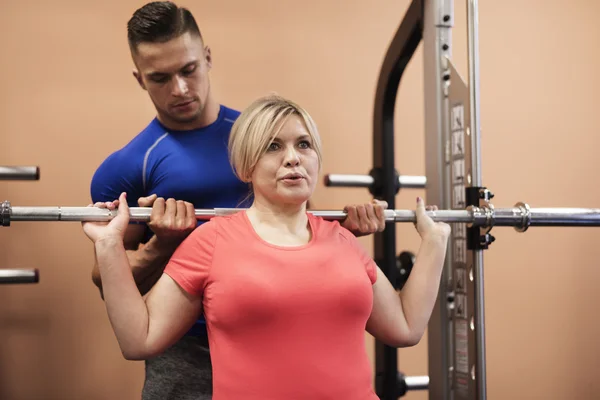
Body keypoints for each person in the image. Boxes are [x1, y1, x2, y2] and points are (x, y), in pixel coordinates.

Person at [88, 2, 390, 399]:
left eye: (189, 70)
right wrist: (166, 243)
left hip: (271, 329)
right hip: (184, 346)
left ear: (207, 58)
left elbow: (300, 223)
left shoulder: (267, 138)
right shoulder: (127, 166)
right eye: (160, 77)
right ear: (140, 79)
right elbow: (106, 278)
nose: (179, 89)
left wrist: (345, 232)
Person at [83, 94, 451, 399]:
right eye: (273, 147)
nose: (293, 157)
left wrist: (435, 242)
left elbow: (404, 327)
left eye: (303, 144)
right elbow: (139, 340)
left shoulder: (342, 241)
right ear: (245, 166)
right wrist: (109, 244)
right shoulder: (210, 242)